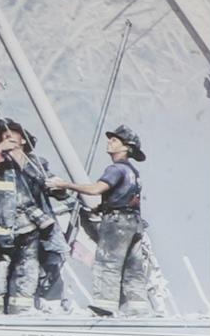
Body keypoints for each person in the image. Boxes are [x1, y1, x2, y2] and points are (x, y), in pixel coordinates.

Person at [51, 124, 158, 318]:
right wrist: (100, 208)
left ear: (126, 147)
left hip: (116, 224)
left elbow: (95, 189)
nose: (110, 141)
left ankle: (105, 306)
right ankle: (137, 307)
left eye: (115, 140)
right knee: (133, 267)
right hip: (134, 223)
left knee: (108, 263)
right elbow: (124, 196)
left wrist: (64, 184)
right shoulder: (133, 171)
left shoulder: (115, 169)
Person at [0, 119, 63, 316]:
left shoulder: (37, 163)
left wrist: (58, 187)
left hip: (31, 226)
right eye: (2, 134)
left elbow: (57, 191)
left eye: (12, 133)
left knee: (28, 269)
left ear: (23, 139)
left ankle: (21, 310)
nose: (7, 135)